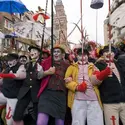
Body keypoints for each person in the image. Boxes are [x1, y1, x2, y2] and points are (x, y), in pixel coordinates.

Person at [65, 47, 104, 125]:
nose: (83, 57)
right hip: (77, 99)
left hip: (93, 99)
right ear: (77, 56)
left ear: (88, 56)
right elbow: (67, 82)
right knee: (78, 123)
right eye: (80, 55)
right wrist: (77, 87)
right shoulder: (71, 67)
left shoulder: (93, 67)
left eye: (85, 55)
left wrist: (98, 77)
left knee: (96, 122)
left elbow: (99, 81)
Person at [92, 45, 125, 125]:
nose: (108, 53)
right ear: (102, 54)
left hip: (123, 101)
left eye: (111, 52)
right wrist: (105, 72)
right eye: (106, 52)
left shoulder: (119, 64)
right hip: (110, 103)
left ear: (114, 54)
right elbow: (94, 81)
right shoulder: (98, 65)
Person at [37, 45, 69, 125]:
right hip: (47, 94)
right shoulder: (45, 62)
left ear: (62, 55)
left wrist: (70, 79)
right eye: (54, 52)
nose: (56, 53)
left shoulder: (67, 65)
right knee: (41, 122)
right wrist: (47, 72)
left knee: (59, 123)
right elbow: (38, 76)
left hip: (60, 96)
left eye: (58, 52)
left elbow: (72, 76)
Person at [13, 46, 44, 125]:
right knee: (17, 115)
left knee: (37, 117)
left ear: (39, 53)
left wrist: (41, 70)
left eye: (34, 50)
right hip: (25, 91)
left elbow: (42, 76)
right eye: (30, 51)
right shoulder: (27, 64)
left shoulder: (43, 63)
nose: (32, 52)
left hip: (36, 92)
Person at [0, 53, 26, 125]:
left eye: (11, 60)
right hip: (4, 94)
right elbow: (2, 81)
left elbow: (20, 75)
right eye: (8, 60)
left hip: (13, 97)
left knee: (9, 121)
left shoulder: (21, 67)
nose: (9, 62)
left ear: (16, 60)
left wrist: (5, 75)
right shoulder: (7, 68)